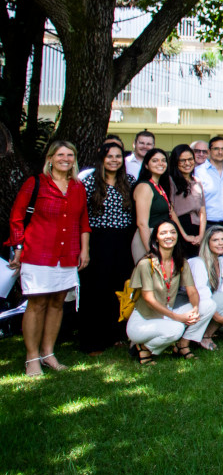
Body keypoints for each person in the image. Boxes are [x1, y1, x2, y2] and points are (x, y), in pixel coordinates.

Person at [8, 141, 91, 375]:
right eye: (61, 154)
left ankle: (48, 354)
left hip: (67, 254)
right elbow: (17, 216)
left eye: (70, 155)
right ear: (51, 158)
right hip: (38, 252)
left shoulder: (77, 187)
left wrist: (84, 250)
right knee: (37, 303)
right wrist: (17, 247)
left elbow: (82, 221)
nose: (66, 158)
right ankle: (32, 357)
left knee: (57, 303)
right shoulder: (35, 183)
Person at [126, 219, 215, 362]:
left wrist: (195, 309)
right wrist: (178, 317)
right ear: (156, 238)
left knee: (209, 305)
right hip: (143, 321)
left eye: (173, 232)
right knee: (177, 329)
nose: (169, 236)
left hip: (166, 315)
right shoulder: (146, 264)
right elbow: (149, 299)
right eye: (163, 233)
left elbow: (192, 291)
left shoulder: (180, 262)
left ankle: (180, 345)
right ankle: (144, 347)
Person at [78, 142, 137, 354]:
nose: (114, 160)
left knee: (118, 287)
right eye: (110, 156)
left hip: (122, 240)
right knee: (96, 289)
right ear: (102, 158)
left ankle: (114, 334)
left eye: (118, 156)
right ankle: (91, 340)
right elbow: (81, 215)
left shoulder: (129, 181)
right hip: (97, 240)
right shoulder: (88, 182)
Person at [131, 148, 171, 263]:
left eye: (163, 160)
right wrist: (151, 250)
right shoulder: (145, 187)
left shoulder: (161, 186)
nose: (160, 163)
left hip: (161, 237)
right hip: (147, 237)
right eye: (155, 160)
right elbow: (142, 223)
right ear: (146, 165)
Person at [166, 143, 206, 257]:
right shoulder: (170, 180)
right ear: (175, 162)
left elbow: (202, 210)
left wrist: (201, 235)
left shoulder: (197, 181)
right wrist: (184, 235)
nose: (187, 163)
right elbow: (171, 210)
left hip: (198, 227)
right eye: (182, 160)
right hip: (180, 226)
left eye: (190, 159)